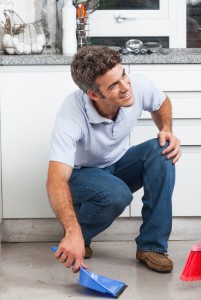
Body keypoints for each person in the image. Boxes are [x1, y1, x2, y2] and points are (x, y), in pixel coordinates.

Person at [46, 45, 181, 274]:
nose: (126, 87)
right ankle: (79, 235)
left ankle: (152, 246)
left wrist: (166, 129)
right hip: (82, 174)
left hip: (120, 162)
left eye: (123, 75)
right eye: (114, 85)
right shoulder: (71, 115)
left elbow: (162, 102)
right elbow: (56, 180)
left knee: (162, 149)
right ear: (94, 94)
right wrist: (72, 231)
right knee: (117, 194)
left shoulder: (136, 85)